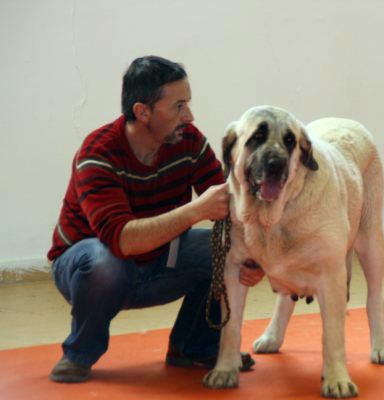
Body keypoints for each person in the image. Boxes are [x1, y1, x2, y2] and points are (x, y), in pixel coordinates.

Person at [47, 56, 265, 383]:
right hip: (88, 264)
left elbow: (230, 202)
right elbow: (122, 240)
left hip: (159, 257)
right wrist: (196, 210)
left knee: (229, 249)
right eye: (178, 106)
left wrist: (256, 254)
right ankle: (79, 353)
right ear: (142, 112)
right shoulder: (99, 152)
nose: (189, 115)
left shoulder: (188, 140)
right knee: (105, 262)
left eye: (187, 104)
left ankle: (194, 348)